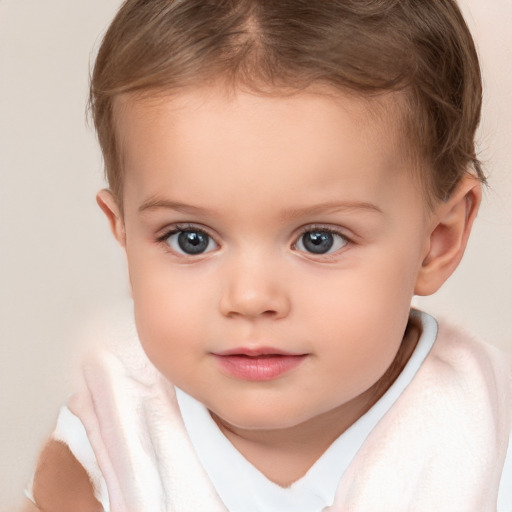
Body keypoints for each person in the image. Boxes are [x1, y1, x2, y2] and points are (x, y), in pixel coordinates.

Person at [23, 0, 511, 510]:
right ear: (122, 233)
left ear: (437, 240)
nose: (250, 298)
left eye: (319, 239)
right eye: (191, 238)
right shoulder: (102, 450)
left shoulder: (490, 438)